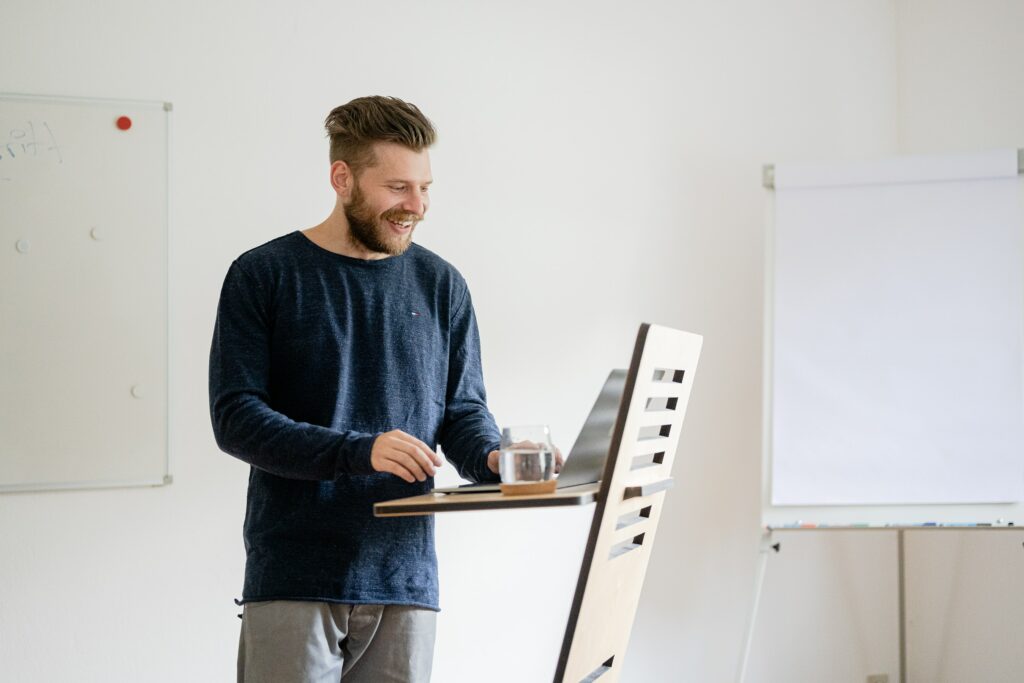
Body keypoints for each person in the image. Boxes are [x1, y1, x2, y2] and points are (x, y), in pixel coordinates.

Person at [209, 96, 506, 683]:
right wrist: (357, 450)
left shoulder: (442, 284)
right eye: (398, 187)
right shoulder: (263, 274)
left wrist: (496, 459)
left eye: (424, 188)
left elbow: (463, 411)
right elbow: (236, 417)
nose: (416, 206)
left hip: (407, 578)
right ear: (342, 178)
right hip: (295, 573)